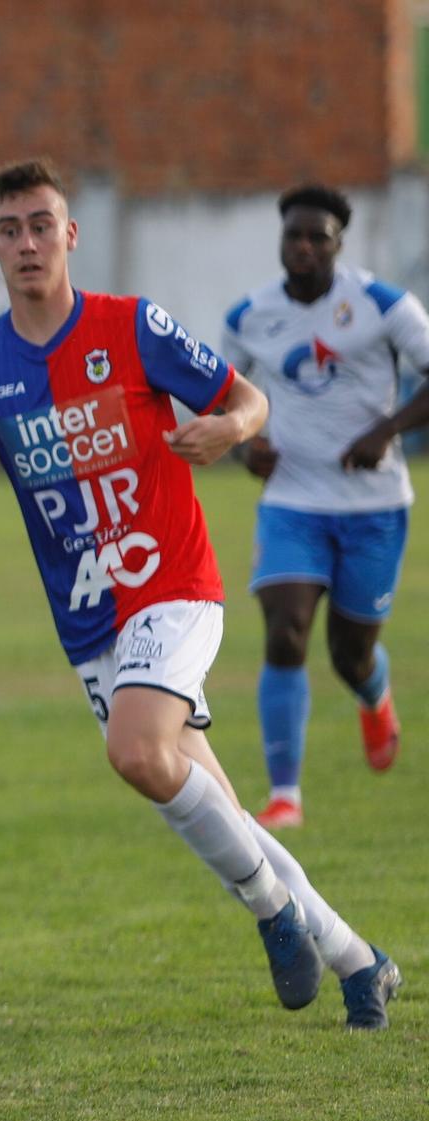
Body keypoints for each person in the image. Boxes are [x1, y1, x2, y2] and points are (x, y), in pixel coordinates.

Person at [0, 159, 400, 1030]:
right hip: (87, 621)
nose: (27, 243)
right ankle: (360, 961)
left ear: (70, 234)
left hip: (174, 587)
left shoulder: (132, 326)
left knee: (139, 754)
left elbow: (248, 399)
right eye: (9, 229)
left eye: (41, 224)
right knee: (215, 804)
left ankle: (274, 915)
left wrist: (230, 426)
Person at [219, 184, 429, 830]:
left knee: (349, 652)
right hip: (292, 502)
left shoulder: (382, 304)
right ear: (281, 241)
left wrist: (385, 431)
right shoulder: (248, 316)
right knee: (285, 632)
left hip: (373, 507)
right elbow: (217, 400)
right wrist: (242, 449)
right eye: (294, 236)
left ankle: (376, 694)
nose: (304, 247)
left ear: (340, 244)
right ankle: (285, 796)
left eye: (318, 237)